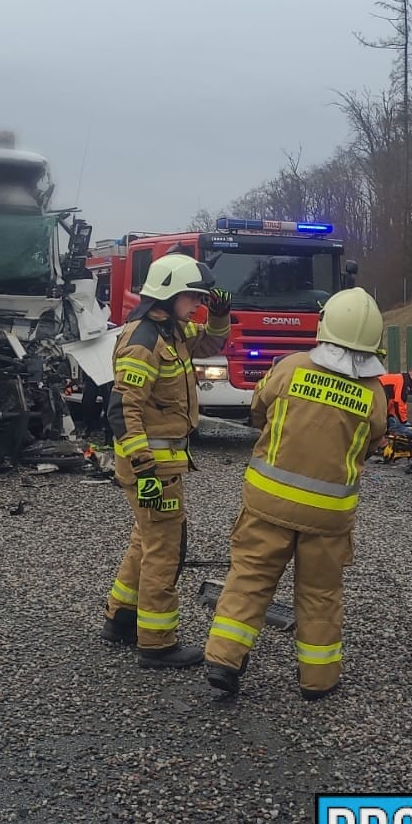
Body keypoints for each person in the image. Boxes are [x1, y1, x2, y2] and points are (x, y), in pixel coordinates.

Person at [202, 287, 390, 701]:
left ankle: (223, 661)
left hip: (267, 503)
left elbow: (258, 409)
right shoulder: (374, 393)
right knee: (320, 594)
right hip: (329, 516)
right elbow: (372, 443)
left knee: (249, 580)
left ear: (326, 326)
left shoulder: (290, 368)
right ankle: (318, 681)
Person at [100, 252, 232, 668]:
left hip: (159, 466)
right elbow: (123, 410)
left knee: (146, 538)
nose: (196, 303)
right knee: (165, 549)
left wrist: (219, 316)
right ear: (168, 293)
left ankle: (120, 619)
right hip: (152, 469)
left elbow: (210, 343)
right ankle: (157, 643)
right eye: (191, 296)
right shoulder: (143, 343)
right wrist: (145, 470)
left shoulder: (170, 331)